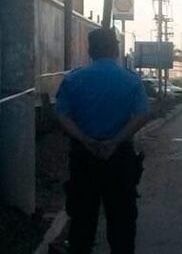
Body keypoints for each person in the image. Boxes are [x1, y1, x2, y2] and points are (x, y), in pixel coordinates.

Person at [56, 28, 151, 254]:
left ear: (90, 50)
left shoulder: (73, 79)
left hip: (83, 158)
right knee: (122, 227)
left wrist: (86, 140)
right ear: (116, 50)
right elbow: (142, 115)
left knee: (82, 223)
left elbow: (62, 116)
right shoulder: (131, 81)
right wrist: (116, 142)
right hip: (120, 160)